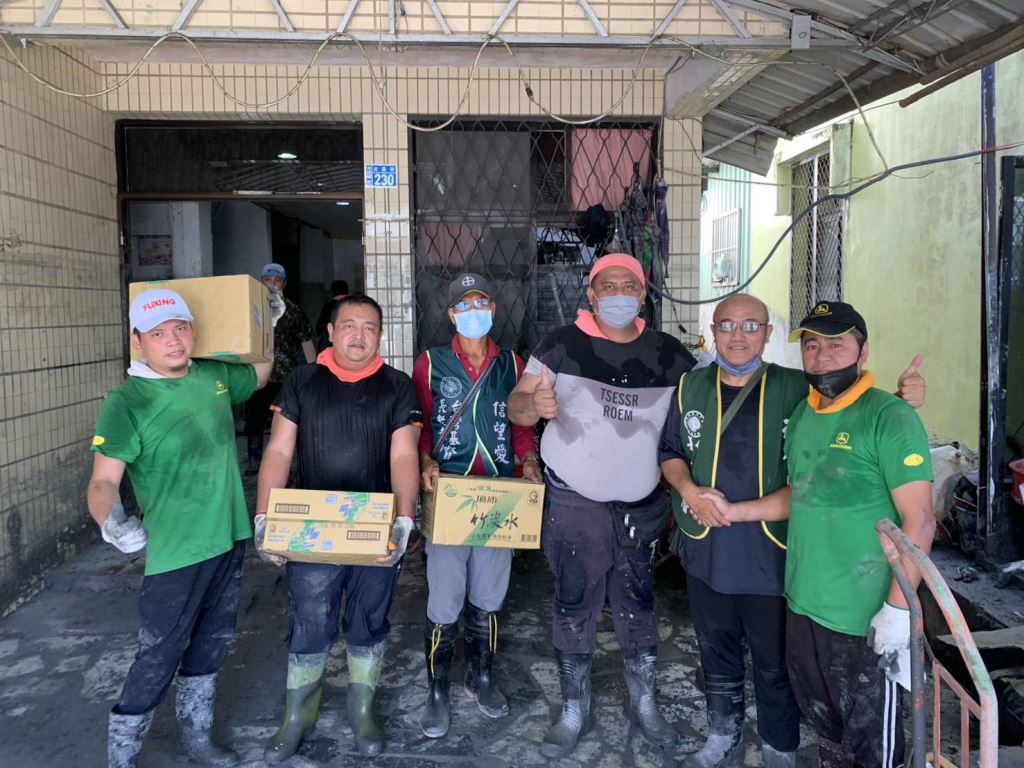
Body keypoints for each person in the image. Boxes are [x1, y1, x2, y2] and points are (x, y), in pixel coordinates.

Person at [659, 294, 926, 768]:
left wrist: (904, 400)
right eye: (726, 325)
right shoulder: (692, 387)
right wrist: (692, 492)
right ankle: (723, 734)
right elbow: (672, 452)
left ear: (768, 335)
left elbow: (856, 410)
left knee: (776, 666)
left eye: (751, 326)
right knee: (719, 653)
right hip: (715, 553)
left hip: (773, 560)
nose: (738, 336)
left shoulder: (796, 390)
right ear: (712, 332)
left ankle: (779, 749)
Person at [508, 253, 695, 757]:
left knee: (639, 602)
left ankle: (645, 704)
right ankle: (574, 709)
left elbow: (707, 405)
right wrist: (535, 405)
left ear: (643, 294)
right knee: (574, 602)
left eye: (628, 285)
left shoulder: (670, 354)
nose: (618, 294)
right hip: (574, 504)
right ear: (591, 295)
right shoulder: (560, 345)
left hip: (642, 506)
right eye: (607, 286)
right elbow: (516, 405)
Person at [88, 288, 273, 768]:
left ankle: (196, 738)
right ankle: (122, 756)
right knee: (158, 654)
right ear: (137, 341)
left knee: (212, 643)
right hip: (176, 552)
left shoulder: (212, 375)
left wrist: (265, 323)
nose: (173, 341)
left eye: (180, 329)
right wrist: (111, 520)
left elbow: (259, 374)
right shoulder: (127, 401)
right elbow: (103, 481)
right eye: (157, 334)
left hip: (228, 538)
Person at [254, 293, 422, 762]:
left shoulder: (397, 386)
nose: (358, 335)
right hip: (312, 531)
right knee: (310, 620)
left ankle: (361, 711)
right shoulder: (302, 381)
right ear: (330, 332)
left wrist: (405, 519)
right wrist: (265, 516)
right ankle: (298, 715)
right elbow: (280, 450)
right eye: (348, 325)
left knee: (369, 620)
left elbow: (404, 454)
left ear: (381, 335)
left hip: (376, 530)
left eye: (369, 327)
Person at [411, 272, 543, 739]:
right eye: (464, 305)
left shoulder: (511, 363)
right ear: (451, 314)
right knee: (445, 598)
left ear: (493, 308)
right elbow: (421, 425)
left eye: (481, 302)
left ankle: (481, 676)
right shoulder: (430, 363)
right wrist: (425, 461)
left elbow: (520, 424)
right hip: (449, 495)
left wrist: (529, 459)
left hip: (498, 496)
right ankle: (437, 689)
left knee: (488, 596)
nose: (474, 311)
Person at [245, 263, 315, 475]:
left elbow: (306, 341)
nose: (272, 284)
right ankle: (254, 463)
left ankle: (295, 464)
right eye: (267, 280)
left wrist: (315, 371)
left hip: (286, 377)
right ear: (261, 282)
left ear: (283, 283)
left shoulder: (293, 311)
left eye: (276, 281)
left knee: (290, 421)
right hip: (257, 376)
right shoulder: (252, 308)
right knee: (254, 419)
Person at [315, 279, 349, 351]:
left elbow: (319, 329)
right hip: (349, 346)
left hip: (330, 346)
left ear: (333, 292)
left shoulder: (328, 307)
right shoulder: (353, 306)